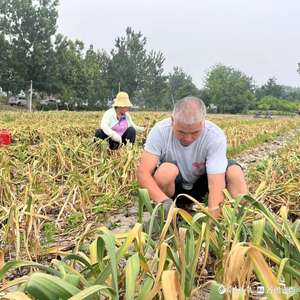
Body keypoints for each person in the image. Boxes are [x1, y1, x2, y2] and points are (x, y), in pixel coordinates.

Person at [136, 96, 248, 218]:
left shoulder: (214, 136)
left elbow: (216, 183)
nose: (188, 138)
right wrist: (164, 201)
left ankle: (243, 217)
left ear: (203, 122)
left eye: (195, 132)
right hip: (174, 191)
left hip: (201, 186)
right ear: (172, 121)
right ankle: (168, 211)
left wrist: (213, 220)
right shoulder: (160, 131)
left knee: (234, 172)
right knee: (165, 171)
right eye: (181, 132)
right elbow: (143, 173)